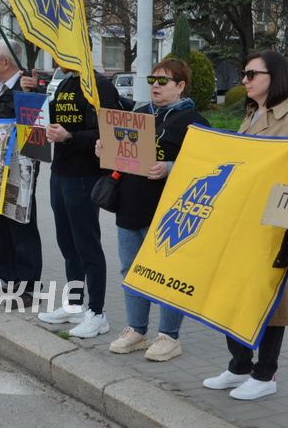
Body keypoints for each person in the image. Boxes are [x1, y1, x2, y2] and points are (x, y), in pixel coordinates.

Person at [201, 51, 288, 400]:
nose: (245, 80)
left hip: (273, 225)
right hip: (243, 221)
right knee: (234, 294)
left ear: (274, 77)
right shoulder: (252, 114)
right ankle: (239, 366)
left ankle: (265, 374)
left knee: (270, 302)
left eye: (252, 74)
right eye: (244, 74)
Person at [101, 58, 208, 360]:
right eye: (152, 80)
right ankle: (136, 329)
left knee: (165, 272)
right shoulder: (139, 113)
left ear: (181, 86)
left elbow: (208, 165)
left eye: (163, 81)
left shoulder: (192, 121)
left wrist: (170, 168)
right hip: (130, 205)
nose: (155, 86)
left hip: (167, 211)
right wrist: (105, 150)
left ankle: (169, 336)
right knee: (130, 269)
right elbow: (123, 156)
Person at [37, 68, 119, 338]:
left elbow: (109, 131)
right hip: (59, 172)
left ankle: (97, 313)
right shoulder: (64, 83)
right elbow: (51, 118)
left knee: (87, 245)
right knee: (68, 244)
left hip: (84, 175)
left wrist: (70, 137)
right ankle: (74, 304)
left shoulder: (101, 86)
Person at [0, 39, 42, 305]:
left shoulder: (25, 87)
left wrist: (35, 91)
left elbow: (37, 124)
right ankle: (8, 279)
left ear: (6, 62)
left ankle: (27, 285)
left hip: (20, 170)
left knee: (20, 225)